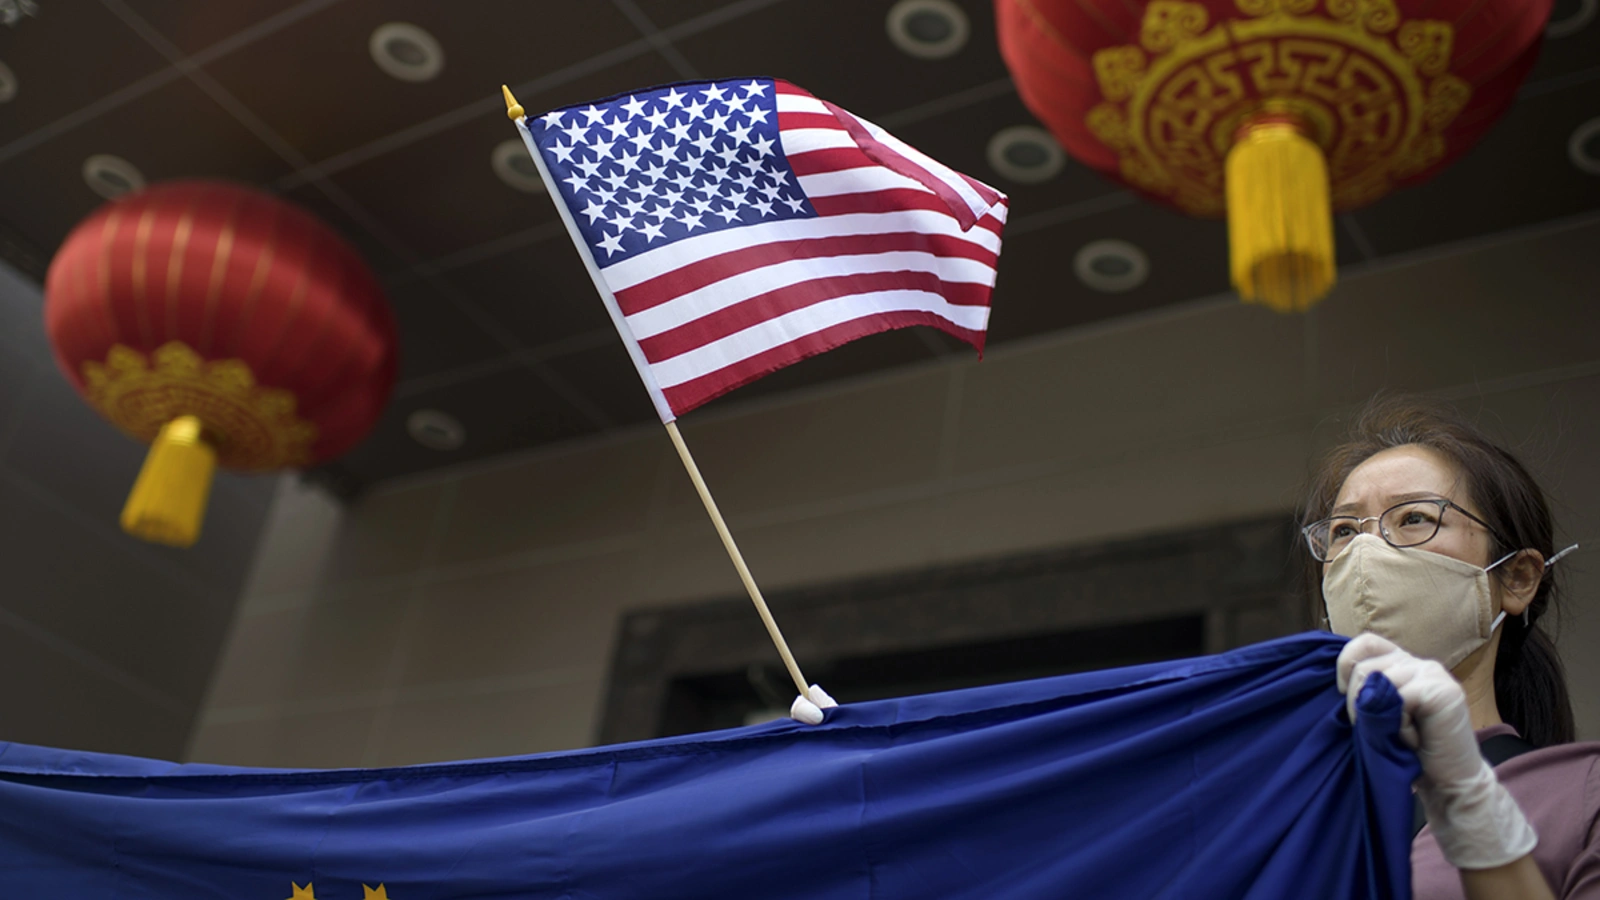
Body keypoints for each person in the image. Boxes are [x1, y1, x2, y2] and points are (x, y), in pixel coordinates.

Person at [1301, 396, 1599, 899]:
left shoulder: (1582, 795)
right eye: (1345, 531)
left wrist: (1467, 800)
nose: (1367, 554)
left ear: (1518, 578)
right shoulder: (1293, 802)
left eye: (1414, 518)